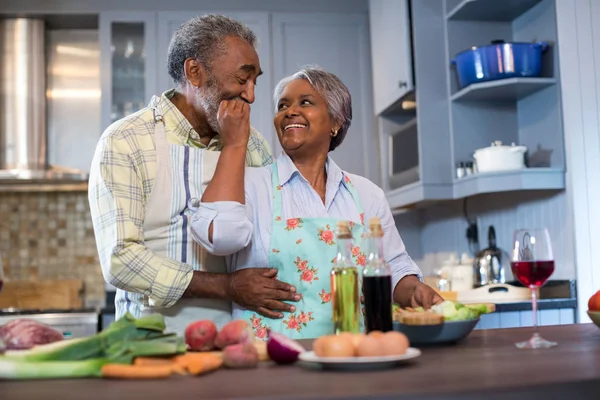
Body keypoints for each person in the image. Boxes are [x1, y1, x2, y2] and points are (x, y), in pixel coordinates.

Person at [191, 65, 443, 339]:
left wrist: (414, 289)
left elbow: (394, 267)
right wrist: (234, 144)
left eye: (305, 102)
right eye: (282, 105)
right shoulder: (251, 184)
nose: (289, 111)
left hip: (351, 353)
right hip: (270, 360)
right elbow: (220, 239)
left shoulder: (367, 194)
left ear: (335, 122)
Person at [88, 15, 299, 334]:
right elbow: (122, 260)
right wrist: (228, 286)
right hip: (154, 341)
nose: (252, 95)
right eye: (243, 79)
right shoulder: (127, 139)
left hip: (240, 342)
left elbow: (274, 238)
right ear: (194, 72)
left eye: (255, 81)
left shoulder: (253, 144)